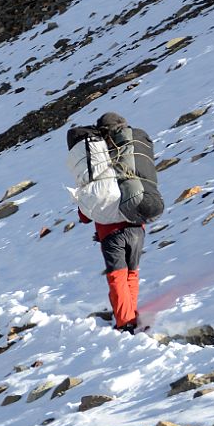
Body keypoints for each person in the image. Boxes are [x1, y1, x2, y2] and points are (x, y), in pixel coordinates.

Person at [74, 112, 147, 331]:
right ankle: (130, 314)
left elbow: (85, 215)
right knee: (131, 274)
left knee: (117, 277)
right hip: (137, 227)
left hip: (111, 233)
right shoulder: (130, 154)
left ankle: (125, 322)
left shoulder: (96, 164)